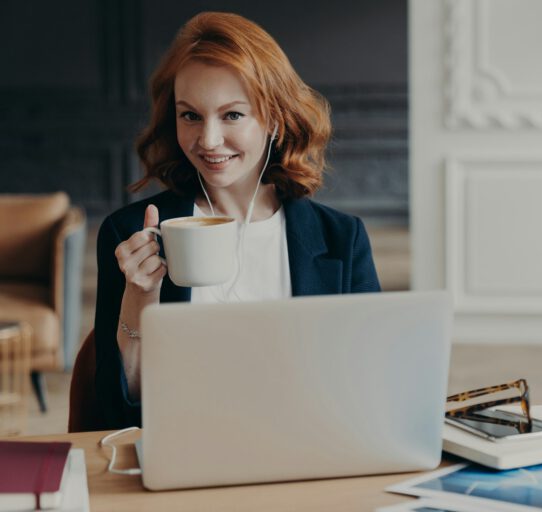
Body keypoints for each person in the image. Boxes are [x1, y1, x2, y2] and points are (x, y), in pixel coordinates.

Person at [94, 12, 381, 429]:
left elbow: (370, 388)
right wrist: (140, 300)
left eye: (232, 115)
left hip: (307, 453)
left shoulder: (342, 239)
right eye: (190, 115)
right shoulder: (129, 234)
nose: (208, 141)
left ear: (275, 119)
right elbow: (114, 415)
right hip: (182, 457)